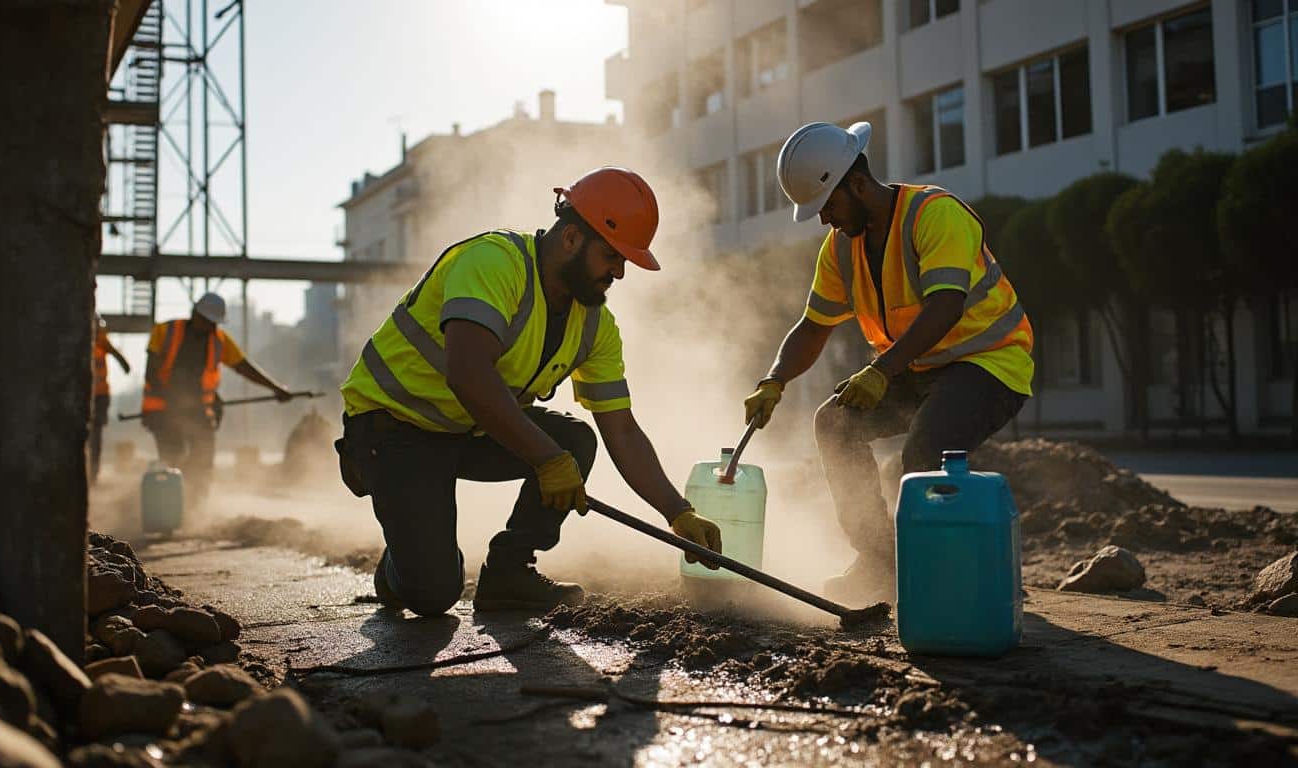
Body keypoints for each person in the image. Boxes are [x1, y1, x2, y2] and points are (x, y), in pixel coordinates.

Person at [336, 167, 724, 616]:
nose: (619, 272)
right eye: (612, 256)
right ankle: (402, 558)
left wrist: (678, 512)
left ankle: (508, 573)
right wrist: (547, 460)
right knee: (433, 595)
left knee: (575, 441)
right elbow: (467, 373)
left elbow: (622, 430)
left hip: (465, 431)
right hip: (393, 429)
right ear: (572, 239)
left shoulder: (596, 325)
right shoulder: (494, 262)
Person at [743, 122, 1033, 605]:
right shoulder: (841, 247)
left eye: (828, 206)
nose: (824, 220)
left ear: (857, 184)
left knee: (925, 455)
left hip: (990, 363)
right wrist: (775, 380)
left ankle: (943, 577)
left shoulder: (934, 215)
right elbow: (813, 326)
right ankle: (879, 563)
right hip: (915, 369)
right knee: (835, 423)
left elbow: (945, 306)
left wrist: (882, 371)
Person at [141, 292, 294, 498]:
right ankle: (170, 504)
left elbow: (244, 367)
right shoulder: (165, 331)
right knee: (173, 454)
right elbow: (151, 373)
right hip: (162, 408)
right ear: (196, 315)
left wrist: (276, 388)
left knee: (203, 453)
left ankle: (196, 505)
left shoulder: (218, 340)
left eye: (216, 323)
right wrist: (175, 400)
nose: (213, 327)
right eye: (209, 322)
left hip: (196, 408)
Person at [90, 314, 131, 483]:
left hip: (100, 395)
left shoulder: (101, 341)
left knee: (96, 434)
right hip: (90, 395)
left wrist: (125, 365)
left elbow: (114, 352)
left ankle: (93, 472)